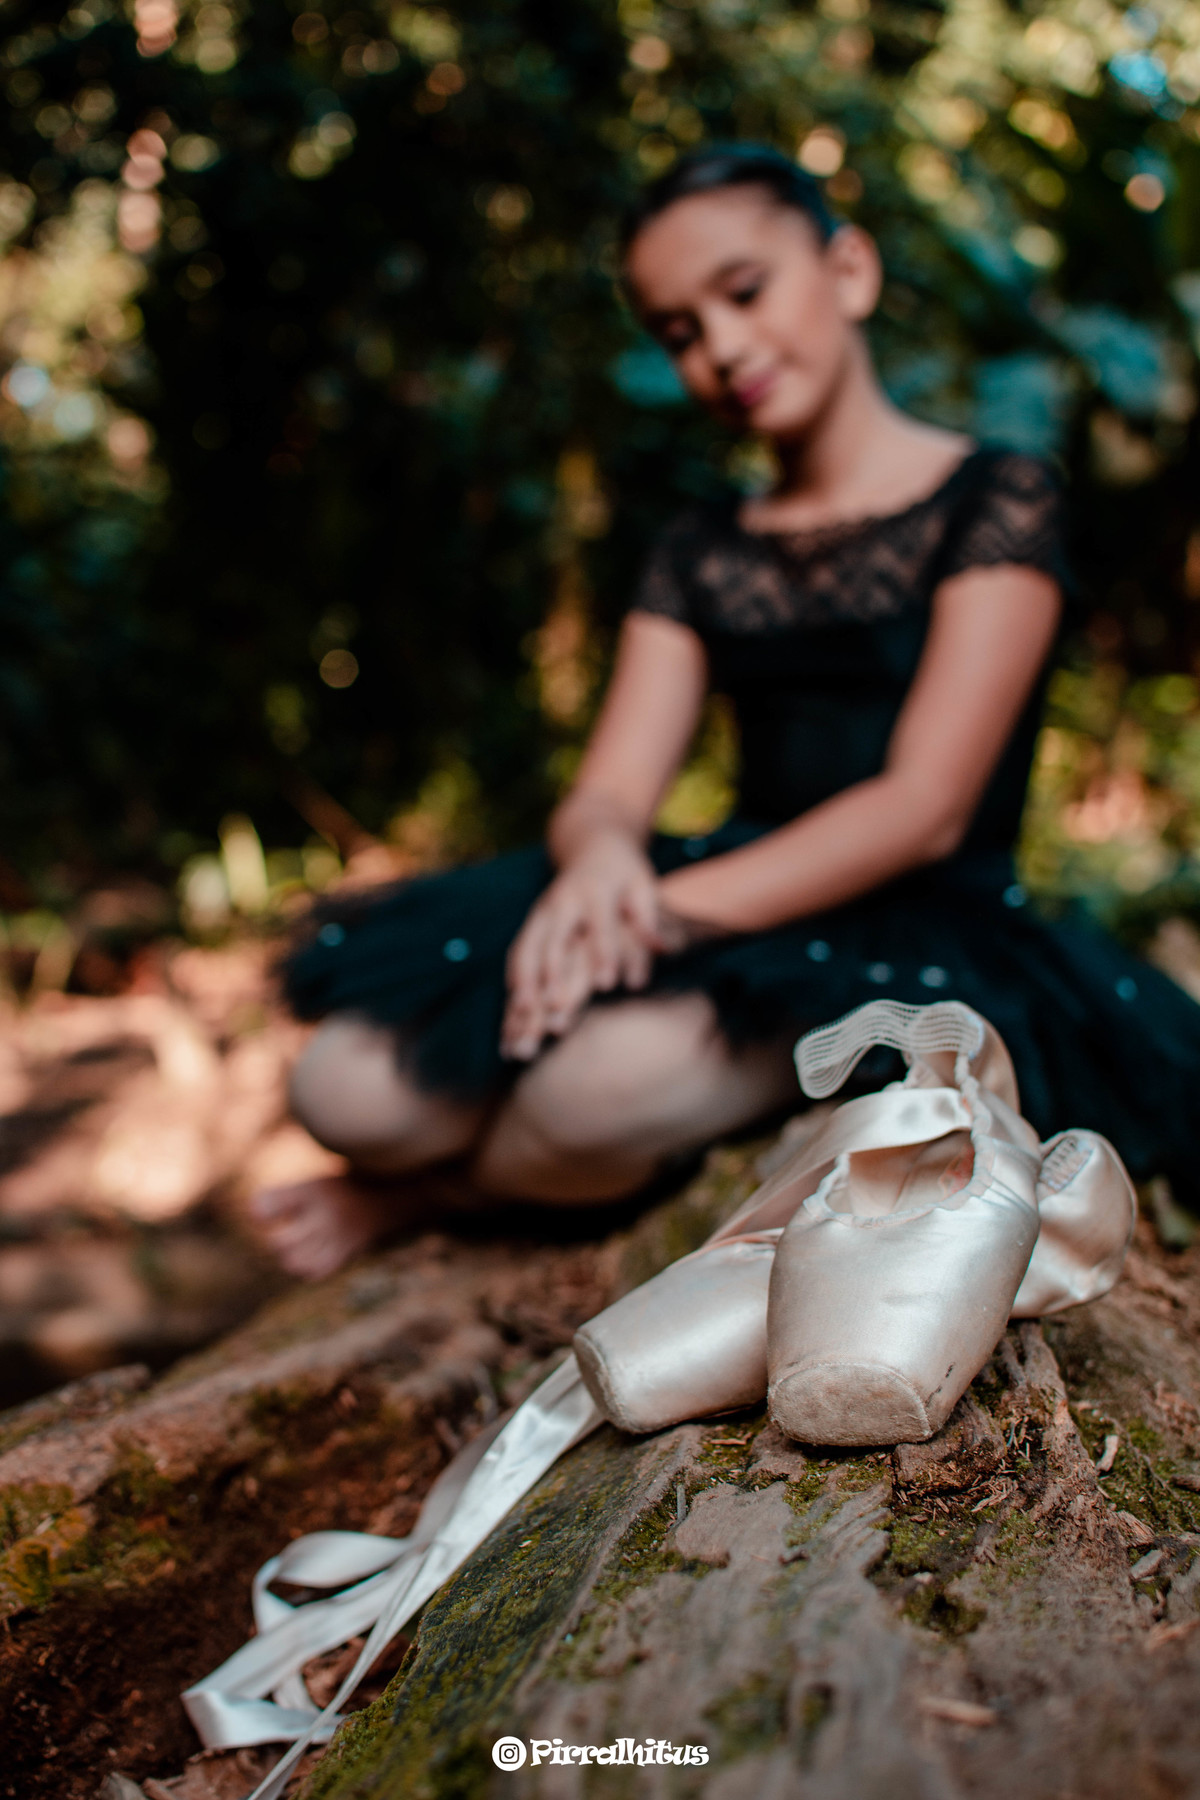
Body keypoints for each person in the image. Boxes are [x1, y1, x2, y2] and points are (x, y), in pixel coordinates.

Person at [251, 144, 1200, 1279]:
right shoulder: (700, 549)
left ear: (848, 269)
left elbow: (925, 808)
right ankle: (461, 1159)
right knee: (341, 1084)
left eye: (743, 292)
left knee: (594, 1094)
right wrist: (600, 864)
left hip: (914, 921)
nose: (722, 348)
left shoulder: (996, 497)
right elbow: (609, 787)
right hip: (713, 886)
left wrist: (657, 914)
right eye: (679, 330)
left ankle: (421, 1202)